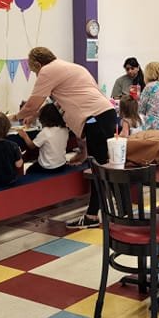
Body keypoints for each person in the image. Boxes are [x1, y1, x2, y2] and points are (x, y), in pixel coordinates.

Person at [16, 47, 116, 229]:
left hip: (95, 119)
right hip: (104, 114)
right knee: (102, 164)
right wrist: (84, 151)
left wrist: (13, 117)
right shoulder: (72, 67)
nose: (36, 75)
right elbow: (70, 101)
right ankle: (112, 211)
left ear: (38, 64)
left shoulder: (47, 71)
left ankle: (93, 216)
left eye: (34, 71)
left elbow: (31, 104)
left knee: (98, 168)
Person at [18, 103, 71, 175]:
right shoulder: (64, 129)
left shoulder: (46, 132)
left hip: (48, 167)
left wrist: (24, 136)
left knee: (29, 170)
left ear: (44, 118)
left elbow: (32, 146)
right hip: (61, 164)